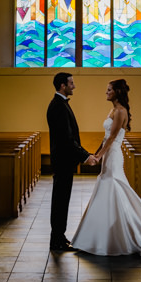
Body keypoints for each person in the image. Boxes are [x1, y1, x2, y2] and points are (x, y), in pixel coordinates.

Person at [70, 79, 141, 256]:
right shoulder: (112, 110)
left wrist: (100, 156)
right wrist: (96, 153)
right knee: (108, 189)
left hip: (114, 155)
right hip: (108, 153)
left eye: (109, 90)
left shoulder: (121, 111)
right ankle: (104, 235)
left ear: (117, 92)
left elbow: (113, 137)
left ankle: (130, 231)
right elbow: (105, 136)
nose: (106, 92)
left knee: (114, 186)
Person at [47, 72, 96, 251]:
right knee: (60, 201)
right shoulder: (58, 106)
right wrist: (85, 156)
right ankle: (57, 240)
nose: (74, 86)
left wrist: (83, 154)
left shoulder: (60, 104)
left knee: (62, 200)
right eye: (71, 83)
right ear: (62, 85)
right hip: (62, 161)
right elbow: (66, 139)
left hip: (63, 161)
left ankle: (59, 237)